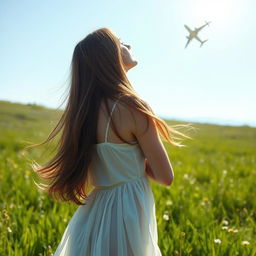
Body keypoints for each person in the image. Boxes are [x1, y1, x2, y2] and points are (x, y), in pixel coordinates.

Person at [27, 27, 192, 255]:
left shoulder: (82, 114)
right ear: (110, 56)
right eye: (121, 42)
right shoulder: (134, 107)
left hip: (94, 213)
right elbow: (166, 177)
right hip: (128, 213)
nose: (129, 46)